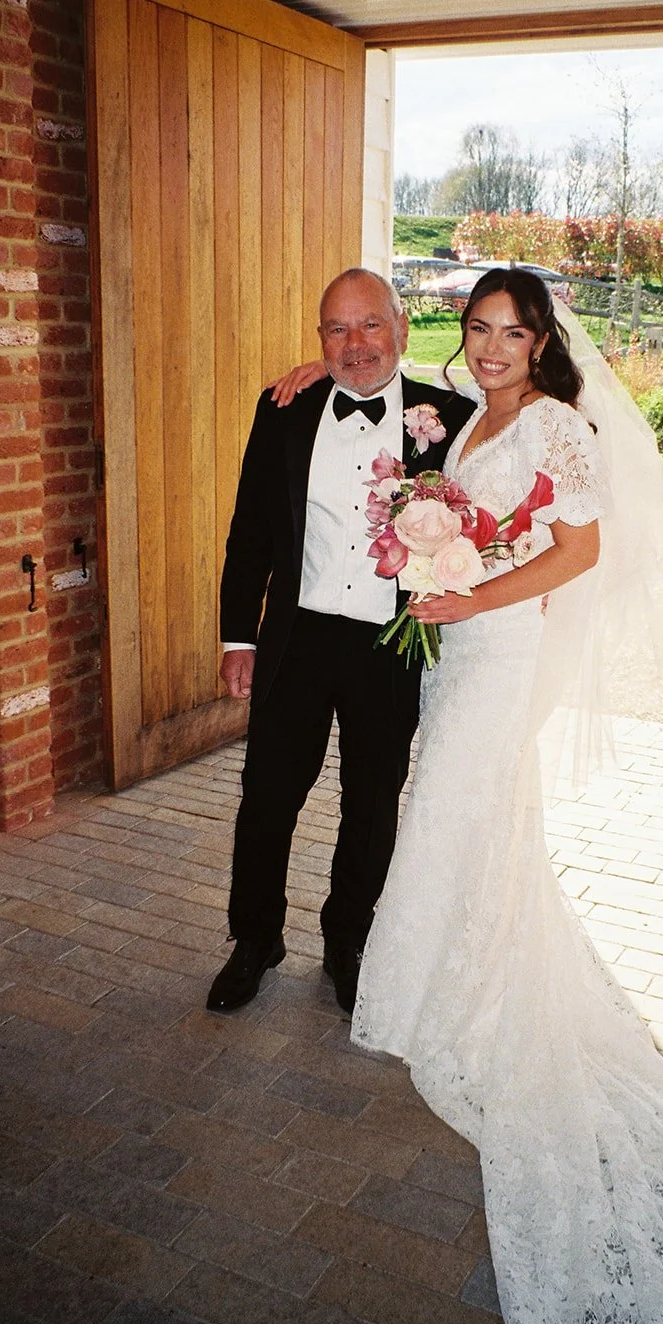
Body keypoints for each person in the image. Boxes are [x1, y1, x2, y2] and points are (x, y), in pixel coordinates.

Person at [275, 266, 663, 1324]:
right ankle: (446, 979)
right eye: (477, 329)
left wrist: (468, 594)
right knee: (463, 823)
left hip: (499, 654)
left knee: (452, 808)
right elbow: (396, 409)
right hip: (454, 653)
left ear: (543, 341)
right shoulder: (463, 415)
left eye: (511, 332)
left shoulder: (556, 425)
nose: (491, 347)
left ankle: (471, 998)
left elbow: (579, 550)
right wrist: (327, 369)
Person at [206, 269, 475, 1016]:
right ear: (319, 338)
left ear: (402, 329)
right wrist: (238, 638)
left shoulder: (453, 419)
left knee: (372, 805)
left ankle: (348, 940)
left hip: (391, 643)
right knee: (266, 797)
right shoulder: (283, 409)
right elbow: (250, 533)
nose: (354, 344)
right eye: (336, 329)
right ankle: (255, 939)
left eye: (369, 325)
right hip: (298, 637)